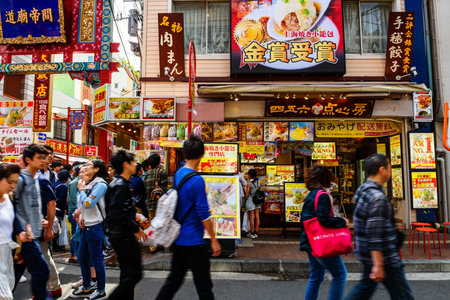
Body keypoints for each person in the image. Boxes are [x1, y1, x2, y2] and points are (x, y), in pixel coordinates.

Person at [156, 134, 221, 300]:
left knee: (173, 282)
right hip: (193, 241)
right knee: (204, 286)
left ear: (185, 153)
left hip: (178, 238)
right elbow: (203, 213)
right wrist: (213, 239)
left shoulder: (179, 173)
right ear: (201, 154)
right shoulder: (197, 180)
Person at [345, 154, 413, 300]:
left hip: (367, 254)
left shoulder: (361, 191)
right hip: (386, 257)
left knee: (364, 289)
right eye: (389, 167)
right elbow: (374, 233)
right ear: (382, 170)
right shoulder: (377, 198)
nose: (390, 171)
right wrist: (378, 264)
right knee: (403, 296)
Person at [300, 164, 349, 300]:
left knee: (316, 276)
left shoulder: (310, 195)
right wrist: (342, 221)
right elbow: (324, 219)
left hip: (310, 241)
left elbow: (303, 221)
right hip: (321, 243)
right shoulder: (322, 195)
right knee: (340, 274)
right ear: (326, 178)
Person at [106, 150, 148, 299]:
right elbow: (117, 213)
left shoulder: (121, 183)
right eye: (133, 162)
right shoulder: (120, 185)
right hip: (122, 235)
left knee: (127, 274)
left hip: (120, 234)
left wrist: (136, 217)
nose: (136, 164)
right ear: (126, 164)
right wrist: (136, 228)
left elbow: (119, 210)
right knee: (134, 274)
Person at [13, 144, 50, 300]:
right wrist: (20, 229)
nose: (44, 160)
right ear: (28, 159)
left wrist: (39, 219)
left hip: (31, 235)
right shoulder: (21, 179)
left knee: (13, 274)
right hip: (24, 237)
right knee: (42, 270)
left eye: (44, 157)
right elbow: (11, 207)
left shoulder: (37, 177)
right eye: (39, 158)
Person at [71, 159, 108, 300]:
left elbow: (88, 202)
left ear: (97, 169)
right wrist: (80, 214)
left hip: (95, 226)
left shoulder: (101, 184)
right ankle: (86, 287)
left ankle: (101, 291)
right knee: (82, 257)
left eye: (88, 165)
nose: (85, 168)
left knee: (97, 260)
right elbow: (83, 205)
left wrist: (81, 189)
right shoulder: (90, 183)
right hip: (86, 226)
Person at [0, 163, 30, 300]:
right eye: (9, 182)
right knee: (5, 295)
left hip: (7, 250)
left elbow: (14, 219)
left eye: (15, 182)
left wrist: (22, 232)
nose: (12, 186)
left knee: (9, 285)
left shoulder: (9, 197)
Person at [37, 148, 63, 297]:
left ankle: (53, 287)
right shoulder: (34, 175)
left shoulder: (48, 176)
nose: (48, 157)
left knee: (45, 252)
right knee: (42, 254)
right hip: (38, 220)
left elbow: (52, 202)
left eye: (49, 155)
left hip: (46, 219)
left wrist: (49, 223)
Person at [144, 153, 168, 252]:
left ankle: (152, 246)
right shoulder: (162, 172)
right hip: (161, 204)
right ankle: (161, 244)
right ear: (159, 162)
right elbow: (165, 189)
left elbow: (145, 188)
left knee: (152, 224)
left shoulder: (147, 174)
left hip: (150, 203)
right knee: (162, 224)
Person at [68, 165, 82, 263]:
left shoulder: (82, 183)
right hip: (75, 213)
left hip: (79, 212)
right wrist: (76, 213)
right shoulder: (74, 183)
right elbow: (73, 199)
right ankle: (73, 255)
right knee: (75, 234)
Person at [245, 169, 261, 238]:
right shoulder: (258, 182)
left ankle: (251, 232)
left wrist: (245, 199)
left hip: (251, 200)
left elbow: (247, 194)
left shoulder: (249, 183)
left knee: (252, 216)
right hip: (257, 200)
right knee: (257, 216)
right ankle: (256, 232)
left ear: (249, 175)